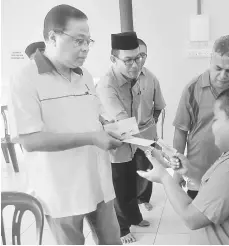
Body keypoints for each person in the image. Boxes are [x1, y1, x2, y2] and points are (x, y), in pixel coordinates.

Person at [8, 4, 123, 245]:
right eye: (78, 40)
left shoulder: (85, 76)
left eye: (88, 41)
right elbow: (30, 140)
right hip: (62, 192)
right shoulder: (25, 79)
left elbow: (97, 117)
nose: (85, 49)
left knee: (112, 241)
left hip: (98, 182)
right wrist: (92, 137)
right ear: (52, 37)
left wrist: (112, 129)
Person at [139, 84, 229, 244]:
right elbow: (219, 192)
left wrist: (164, 177)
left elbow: (192, 218)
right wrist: (189, 172)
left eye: (216, 119)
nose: (212, 127)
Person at [96, 32, 165, 244]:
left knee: (136, 182)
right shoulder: (108, 86)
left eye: (138, 58)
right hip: (118, 142)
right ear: (113, 59)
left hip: (137, 139)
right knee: (121, 186)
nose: (135, 65)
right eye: (128, 60)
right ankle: (122, 228)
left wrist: (151, 139)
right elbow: (123, 123)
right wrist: (158, 149)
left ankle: (134, 217)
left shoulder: (144, 75)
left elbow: (157, 107)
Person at [173, 35, 229, 199]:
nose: (222, 76)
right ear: (210, 60)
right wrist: (177, 172)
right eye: (218, 68)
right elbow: (180, 131)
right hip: (198, 172)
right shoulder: (192, 89)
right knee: (199, 219)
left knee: (226, 222)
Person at [135, 38, 166, 211]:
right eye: (135, 55)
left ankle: (143, 198)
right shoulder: (115, 80)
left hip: (145, 132)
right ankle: (128, 204)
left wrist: (151, 122)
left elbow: (159, 106)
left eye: (143, 55)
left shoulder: (151, 78)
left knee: (146, 167)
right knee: (125, 172)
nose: (139, 59)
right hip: (124, 135)